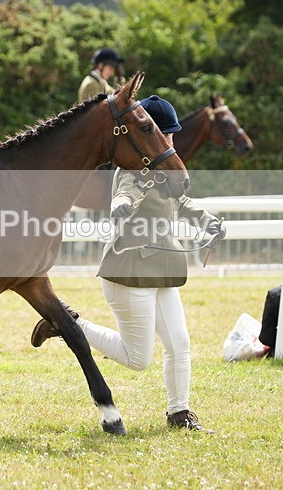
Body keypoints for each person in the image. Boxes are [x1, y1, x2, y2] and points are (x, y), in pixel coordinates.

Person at [30, 95, 224, 432]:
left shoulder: (165, 168)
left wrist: (208, 221)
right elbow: (126, 191)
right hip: (129, 271)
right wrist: (121, 205)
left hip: (162, 268)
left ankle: (180, 413)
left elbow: (184, 201)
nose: (172, 141)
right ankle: (68, 324)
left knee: (180, 344)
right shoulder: (134, 168)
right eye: (167, 134)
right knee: (138, 358)